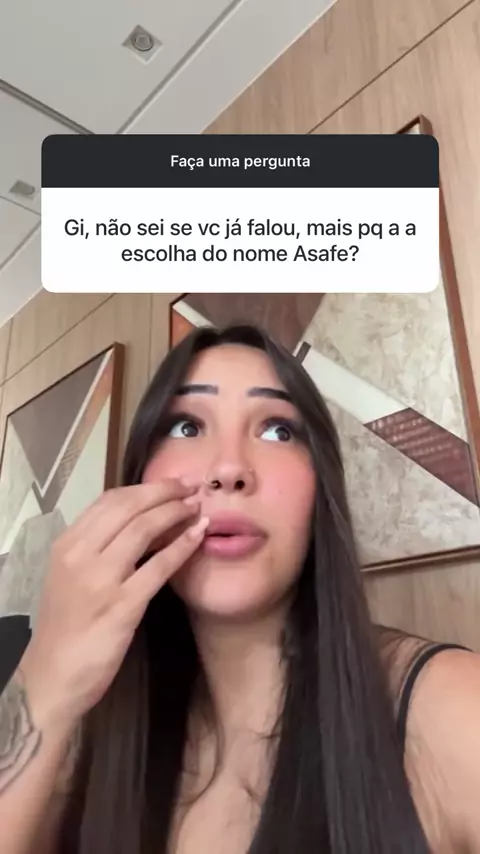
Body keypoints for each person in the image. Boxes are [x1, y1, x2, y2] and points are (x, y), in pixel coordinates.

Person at [0, 323, 479, 854]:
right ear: (138, 479)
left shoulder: (453, 709)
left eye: (278, 430)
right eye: (186, 426)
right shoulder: (84, 740)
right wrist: (45, 677)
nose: (229, 469)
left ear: (321, 488)